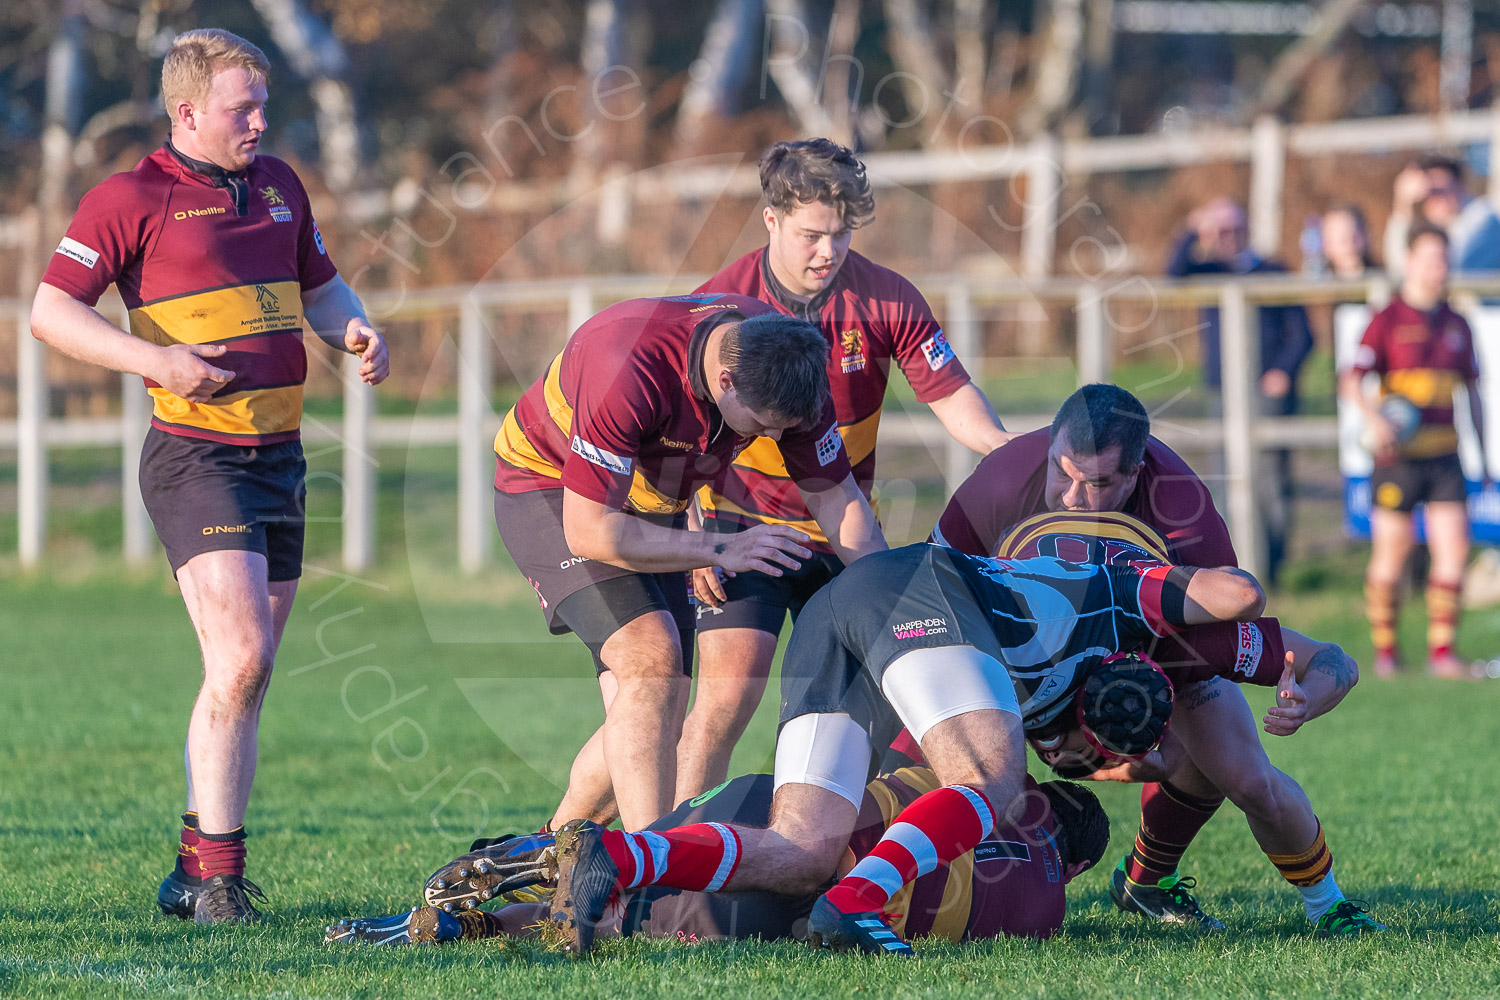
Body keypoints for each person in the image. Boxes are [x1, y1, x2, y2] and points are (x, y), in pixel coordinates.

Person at [28, 29, 390, 924]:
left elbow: (321, 287)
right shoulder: (129, 198)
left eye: (263, 105)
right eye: (243, 109)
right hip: (197, 456)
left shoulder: (280, 186)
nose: (260, 122)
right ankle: (216, 879)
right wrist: (157, 363)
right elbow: (50, 311)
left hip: (281, 456)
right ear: (187, 112)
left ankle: (197, 873)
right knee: (241, 658)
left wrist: (353, 328)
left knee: (247, 675)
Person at [543, 540, 1267, 956]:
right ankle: (857, 900)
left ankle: (620, 857)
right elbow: (1240, 596)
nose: (1082, 765)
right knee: (990, 780)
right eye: (1096, 754)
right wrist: (1149, 575)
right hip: (915, 585)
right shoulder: (1117, 599)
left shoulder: (1043, 676)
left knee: (804, 849)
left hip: (840, 613)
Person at [931, 384, 1381, 938]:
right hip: (1010, 643)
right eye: (1060, 473)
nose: (1071, 498)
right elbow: (923, 592)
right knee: (949, 761)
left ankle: (1316, 903)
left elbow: (1326, 654)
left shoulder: (1178, 563)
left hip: (1148, 629)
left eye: (1097, 484)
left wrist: (1307, 699)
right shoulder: (1002, 483)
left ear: (1134, 475)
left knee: (1240, 776)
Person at [680, 138, 1011, 800]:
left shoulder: (887, 298)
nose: (828, 251)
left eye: (841, 234)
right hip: (741, 526)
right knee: (725, 701)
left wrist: (1011, 449)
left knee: (875, 707)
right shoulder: (719, 305)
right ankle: (673, 844)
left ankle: (855, 844)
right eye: (811, 235)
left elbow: (955, 401)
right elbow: (678, 438)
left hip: (845, 528)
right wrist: (693, 540)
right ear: (771, 219)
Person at [491, 294, 886, 833]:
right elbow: (591, 530)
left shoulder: (787, 366)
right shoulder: (627, 365)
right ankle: (656, 867)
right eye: (761, 425)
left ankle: (545, 857)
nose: (773, 438)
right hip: (551, 489)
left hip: (652, 503)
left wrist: (889, 608)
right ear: (725, 380)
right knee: (650, 664)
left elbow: (839, 501)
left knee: (662, 707)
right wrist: (718, 548)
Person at [327, 767, 1110, 947]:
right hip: (789, 906)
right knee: (634, 919)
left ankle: (537, 852)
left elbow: (871, 787)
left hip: (759, 815)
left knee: (646, 854)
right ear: (1074, 868)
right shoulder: (1047, 911)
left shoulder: (964, 782)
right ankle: (481, 925)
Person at [1342, 225, 1487, 679]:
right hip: (1397, 459)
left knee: (1454, 550)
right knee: (1392, 552)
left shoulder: (1457, 322)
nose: (1438, 269)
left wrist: (1483, 454)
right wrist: (1374, 419)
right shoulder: (1386, 319)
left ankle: (1443, 653)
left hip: (1445, 455)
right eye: (1429, 259)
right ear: (1408, 262)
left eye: (1444, 259)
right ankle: (1387, 654)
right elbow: (1351, 380)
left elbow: (1473, 393)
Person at [1167, 197, 1313, 585]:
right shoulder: (1209, 271)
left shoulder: (1273, 271)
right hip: (1224, 392)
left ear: (1247, 229)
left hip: (1266, 393)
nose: (1226, 237)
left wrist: (1283, 371)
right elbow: (1173, 274)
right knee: (1223, 477)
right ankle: (1229, 565)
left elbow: (1303, 334)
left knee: (1270, 481)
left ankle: (1272, 566)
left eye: (1232, 228)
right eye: (1219, 230)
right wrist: (1193, 230)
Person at [1384, 155, 1500, 280]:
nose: (1436, 198)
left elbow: (1444, 267)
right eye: (1429, 191)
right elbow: (1398, 267)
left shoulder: (1482, 218)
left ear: (1461, 187)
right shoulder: (1435, 225)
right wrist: (1403, 205)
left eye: (1443, 189)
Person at [1319, 204, 1379, 280]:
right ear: (1325, 243)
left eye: (1355, 235)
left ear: (1366, 236)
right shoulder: (1318, 283)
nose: (1349, 243)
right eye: (1341, 238)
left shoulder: (1384, 280)